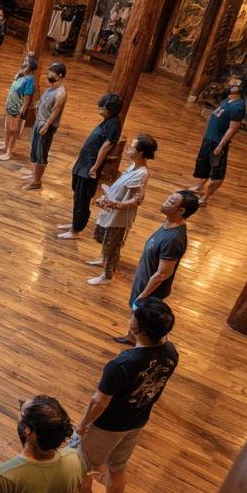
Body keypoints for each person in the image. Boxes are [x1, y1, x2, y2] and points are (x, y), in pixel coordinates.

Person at [61, 298, 177, 493]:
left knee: (80, 466)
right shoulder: (171, 351)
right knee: (117, 468)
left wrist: (81, 426)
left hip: (107, 427)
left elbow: (99, 403)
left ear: (136, 328)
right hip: (137, 422)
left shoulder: (120, 364)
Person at [114, 191, 199, 344]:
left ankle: (139, 345)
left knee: (142, 319)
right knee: (136, 315)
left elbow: (163, 274)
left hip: (150, 289)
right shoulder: (168, 224)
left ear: (181, 211)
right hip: (144, 282)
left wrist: (143, 295)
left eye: (171, 201)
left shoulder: (174, 239)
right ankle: (131, 338)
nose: (165, 202)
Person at [87, 135, 156, 286]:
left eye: (132, 147)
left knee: (112, 245)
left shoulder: (141, 173)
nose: (128, 149)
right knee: (106, 240)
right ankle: (104, 261)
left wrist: (119, 205)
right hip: (112, 211)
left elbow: (138, 199)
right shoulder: (133, 166)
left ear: (142, 152)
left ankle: (107, 276)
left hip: (119, 216)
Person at [57, 93, 123, 238]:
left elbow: (106, 147)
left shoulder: (114, 124)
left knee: (82, 199)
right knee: (77, 195)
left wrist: (95, 166)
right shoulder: (107, 120)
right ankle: (74, 224)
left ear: (112, 110)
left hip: (90, 166)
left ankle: (75, 231)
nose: (100, 110)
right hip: (83, 163)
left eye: (104, 109)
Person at [192, 75, 246, 207]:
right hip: (209, 138)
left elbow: (233, 128)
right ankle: (200, 186)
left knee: (217, 173)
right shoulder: (227, 100)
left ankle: (205, 198)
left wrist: (221, 145)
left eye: (234, 84)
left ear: (240, 88)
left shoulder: (238, 107)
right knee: (204, 165)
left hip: (217, 142)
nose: (230, 85)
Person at [22, 62, 68, 190]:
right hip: (39, 123)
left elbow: (55, 113)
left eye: (51, 73)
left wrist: (46, 126)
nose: (48, 75)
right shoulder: (51, 88)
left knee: (41, 154)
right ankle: (34, 175)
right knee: (35, 151)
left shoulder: (61, 93)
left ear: (60, 75)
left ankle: (37, 181)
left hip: (46, 127)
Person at [0, 53, 36, 161]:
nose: (25, 63)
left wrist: (23, 109)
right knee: (7, 128)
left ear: (32, 64)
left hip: (17, 107)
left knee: (14, 130)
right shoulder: (21, 73)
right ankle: (5, 146)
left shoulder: (30, 79)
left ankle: (9, 152)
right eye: (24, 60)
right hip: (10, 104)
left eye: (27, 61)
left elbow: (27, 96)